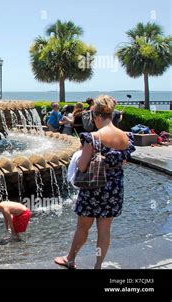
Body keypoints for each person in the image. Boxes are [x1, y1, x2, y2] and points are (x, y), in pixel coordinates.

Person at [54, 95, 136, 269]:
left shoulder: (93, 137)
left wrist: (79, 157)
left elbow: (82, 167)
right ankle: (98, 266)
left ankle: (70, 259)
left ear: (98, 116)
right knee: (104, 230)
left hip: (93, 187)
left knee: (83, 227)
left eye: (93, 118)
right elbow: (123, 162)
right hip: (114, 189)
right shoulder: (125, 137)